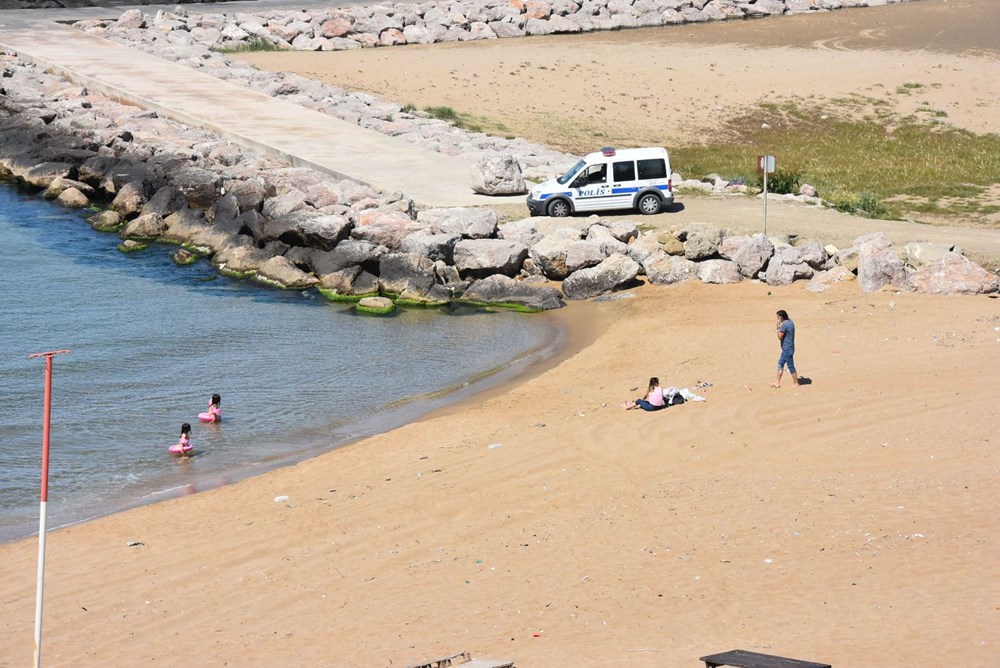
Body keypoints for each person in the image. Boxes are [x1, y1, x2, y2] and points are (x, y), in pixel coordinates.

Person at [771, 309, 799, 387]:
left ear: (781, 317)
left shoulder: (784, 325)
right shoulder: (790, 322)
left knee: (790, 366)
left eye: (778, 317)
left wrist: (778, 328)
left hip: (787, 349)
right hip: (788, 348)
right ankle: (777, 382)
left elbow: (779, 337)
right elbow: (788, 319)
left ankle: (796, 383)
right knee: (780, 364)